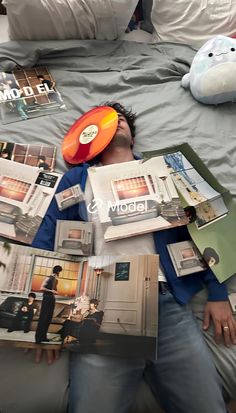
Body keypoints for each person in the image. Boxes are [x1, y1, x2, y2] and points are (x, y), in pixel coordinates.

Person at [32, 102, 236, 413]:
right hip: (101, 303)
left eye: (122, 120)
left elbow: (207, 228)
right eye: (106, 121)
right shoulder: (76, 181)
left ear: (133, 136)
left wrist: (218, 293)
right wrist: (40, 321)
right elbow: (46, 240)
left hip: (167, 303)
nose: (116, 124)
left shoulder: (166, 168)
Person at [35, 265, 62, 344]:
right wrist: (51, 291)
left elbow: (54, 290)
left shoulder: (56, 280)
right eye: (59, 272)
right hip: (46, 299)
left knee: (48, 319)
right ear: (57, 272)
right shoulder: (48, 278)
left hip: (52, 299)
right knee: (43, 318)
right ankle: (38, 339)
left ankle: (44, 337)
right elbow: (41, 288)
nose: (60, 273)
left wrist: (55, 292)